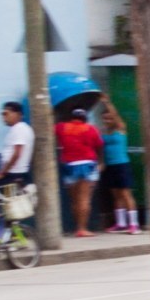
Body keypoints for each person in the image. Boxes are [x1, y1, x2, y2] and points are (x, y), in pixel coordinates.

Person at [55, 104, 104, 235]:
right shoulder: (91, 129)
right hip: (86, 164)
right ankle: (82, 229)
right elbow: (99, 146)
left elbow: (52, 129)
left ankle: (78, 226)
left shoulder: (61, 127)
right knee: (84, 199)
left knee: (74, 200)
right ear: (85, 117)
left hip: (68, 165)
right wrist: (100, 162)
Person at [96, 101, 138, 232]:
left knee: (126, 194)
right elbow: (101, 150)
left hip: (122, 165)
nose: (107, 120)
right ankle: (121, 223)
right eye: (104, 118)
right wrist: (101, 162)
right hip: (110, 166)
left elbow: (115, 115)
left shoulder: (120, 128)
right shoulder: (103, 132)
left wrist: (107, 103)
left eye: (109, 118)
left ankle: (134, 224)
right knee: (116, 195)